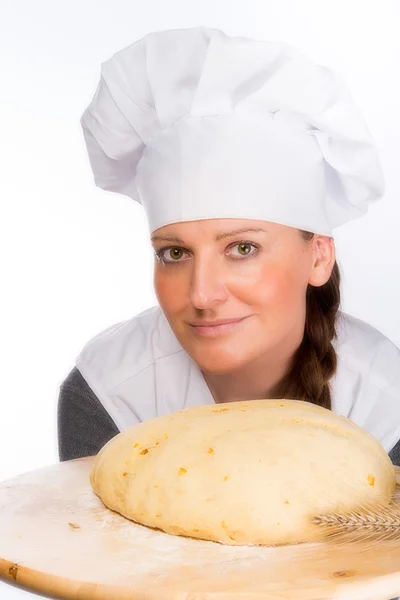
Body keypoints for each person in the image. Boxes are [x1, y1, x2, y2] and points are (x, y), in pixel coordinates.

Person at [57, 26, 400, 469]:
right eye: (174, 253)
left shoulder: (384, 402)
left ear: (318, 255)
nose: (201, 295)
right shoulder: (108, 391)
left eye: (242, 249)